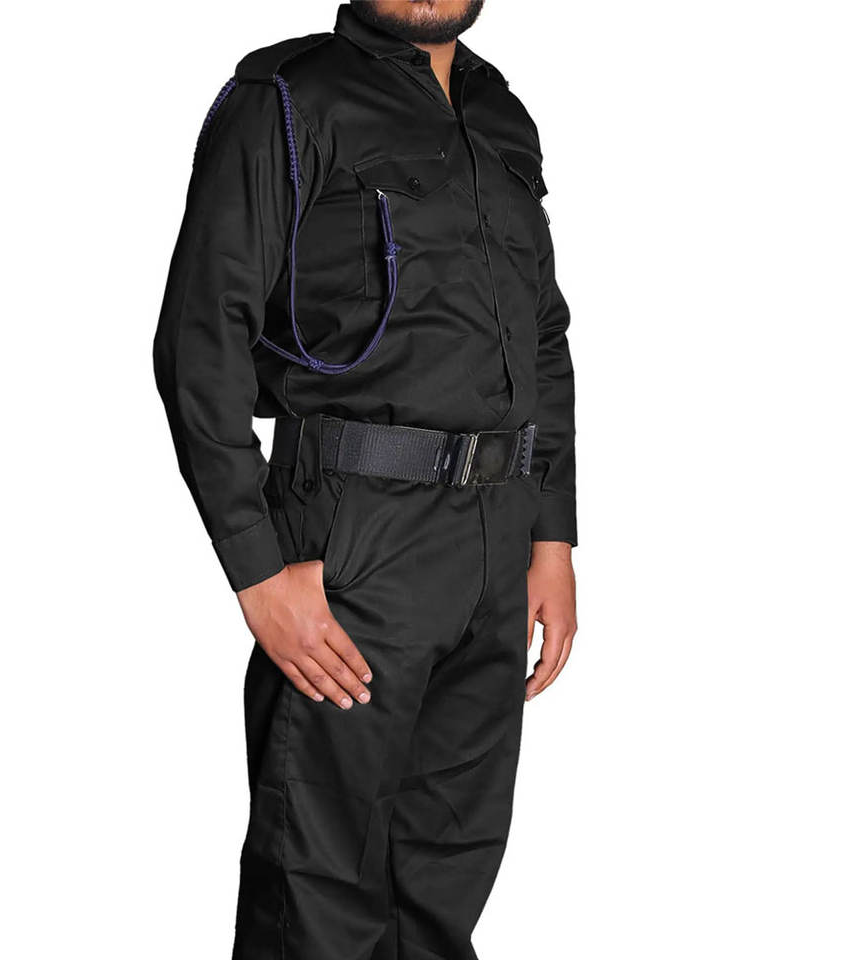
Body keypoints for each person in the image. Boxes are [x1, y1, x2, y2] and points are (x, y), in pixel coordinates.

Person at [153, 2, 577, 956]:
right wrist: (258, 571)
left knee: (444, 876)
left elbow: (543, 334)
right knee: (320, 887)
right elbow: (199, 338)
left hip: (497, 542)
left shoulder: (501, 112)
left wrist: (550, 535)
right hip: (355, 535)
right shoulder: (287, 97)